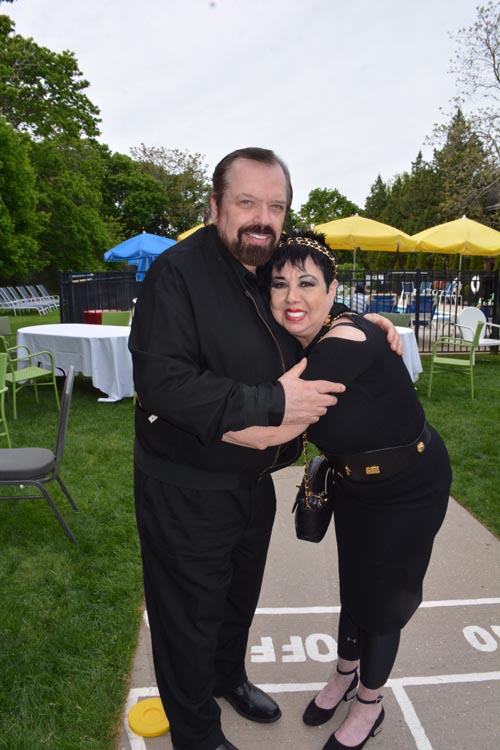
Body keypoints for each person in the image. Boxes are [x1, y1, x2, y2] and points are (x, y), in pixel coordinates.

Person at [129, 148, 401, 750]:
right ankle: (196, 734)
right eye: (247, 202)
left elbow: (302, 301)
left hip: (252, 483)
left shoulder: (265, 261)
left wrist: (361, 318)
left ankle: (228, 678)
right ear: (216, 206)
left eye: (275, 205)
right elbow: (164, 383)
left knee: (238, 598)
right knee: (187, 619)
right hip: (185, 485)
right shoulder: (176, 274)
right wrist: (273, 405)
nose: (262, 217)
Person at [224, 229, 451, 750]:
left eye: (307, 283)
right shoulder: (318, 328)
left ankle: (368, 705)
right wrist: (373, 317)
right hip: (356, 486)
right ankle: (344, 674)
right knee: (356, 583)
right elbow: (328, 312)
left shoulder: (342, 343)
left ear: (331, 289)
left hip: (409, 487)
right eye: (279, 284)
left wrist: (193, 423)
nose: (292, 297)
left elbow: (276, 429)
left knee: (382, 602)